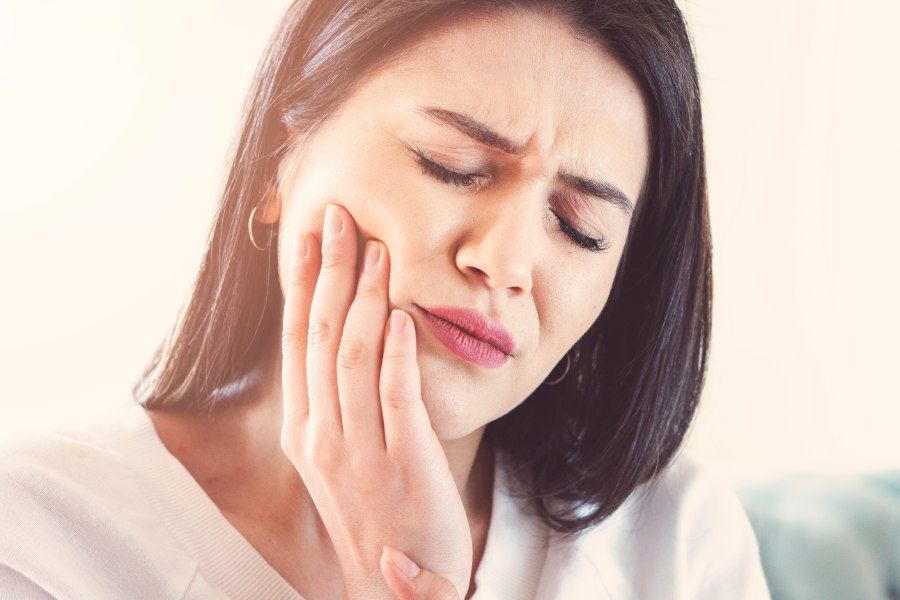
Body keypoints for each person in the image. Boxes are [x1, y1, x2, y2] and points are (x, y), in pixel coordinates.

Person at [0, 1, 772, 598]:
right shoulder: (38, 540)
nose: (505, 261)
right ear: (281, 158)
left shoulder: (673, 541)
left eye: (579, 228)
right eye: (453, 165)